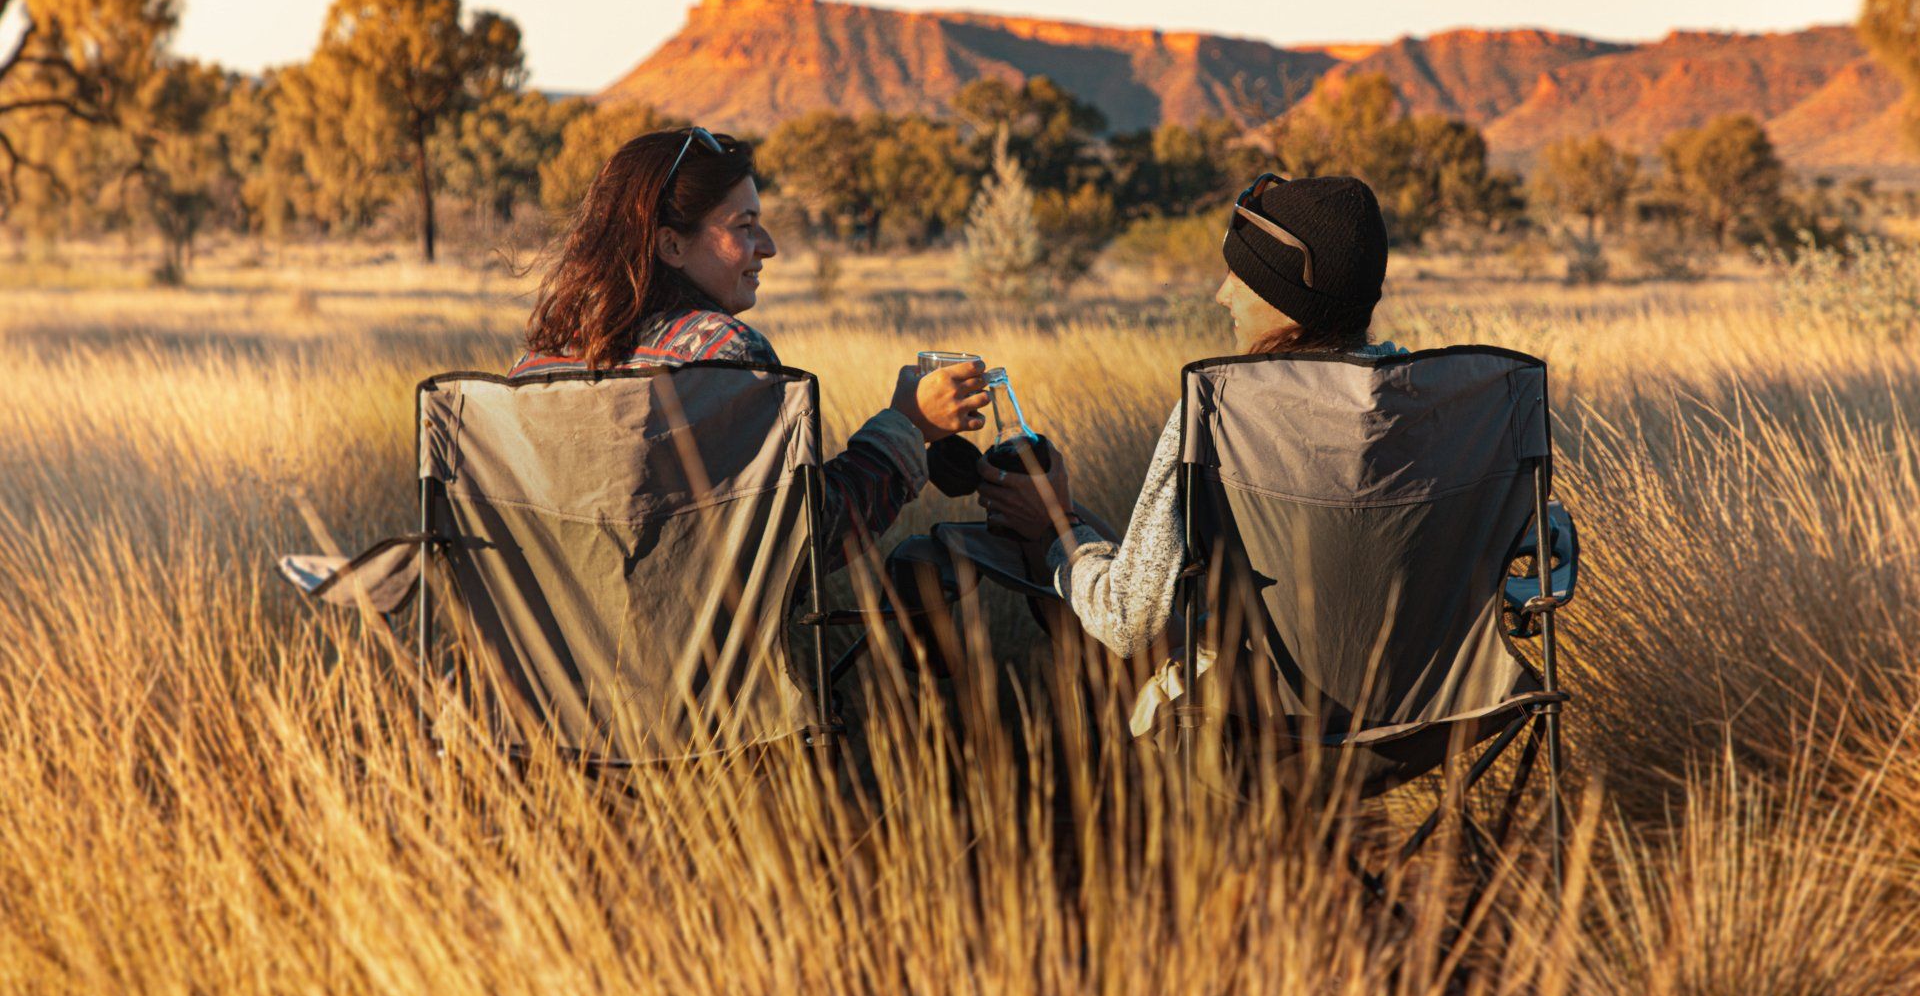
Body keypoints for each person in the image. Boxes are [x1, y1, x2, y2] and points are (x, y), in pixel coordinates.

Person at [975, 173, 1403, 731]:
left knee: (1083, 578)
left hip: (1275, 714)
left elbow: (1128, 622)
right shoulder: (1425, 401)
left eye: (1241, 276)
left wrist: (1057, 527)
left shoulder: (1223, 409)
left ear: (1287, 299)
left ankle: (1104, 796)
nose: (1222, 294)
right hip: (1427, 708)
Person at [511, 126, 991, 568]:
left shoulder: (537, 366)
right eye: (744, 226)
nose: (768, 245)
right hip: (707, 656)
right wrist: (907, 427)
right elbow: (801, 542)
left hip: (542, 655)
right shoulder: (724, 353)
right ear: (671, 246)